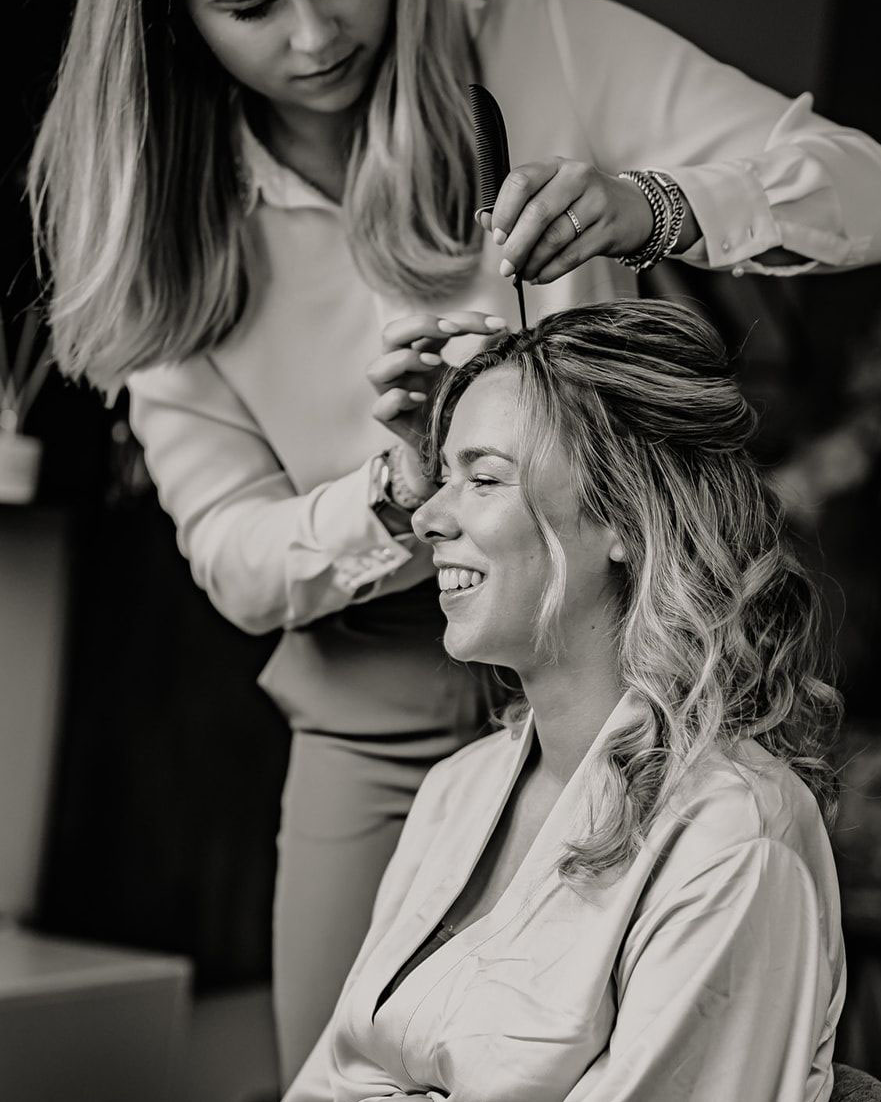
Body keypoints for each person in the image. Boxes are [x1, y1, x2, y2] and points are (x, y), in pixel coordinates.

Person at [28, 0, 881, 1079]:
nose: (314, 35)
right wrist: (394, 492)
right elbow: (237, 561)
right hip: (374, 701)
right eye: (251, 5)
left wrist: (655, 205)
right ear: (168, 17)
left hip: (628, 655)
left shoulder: (542, 49)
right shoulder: (159, 219)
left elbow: (872, 193)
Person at [284, 299, 845, 1102]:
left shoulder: (736, 841)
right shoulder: (459, 790)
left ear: (622, 517)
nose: (428, 516)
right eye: (441, 477)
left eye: (481, 478)